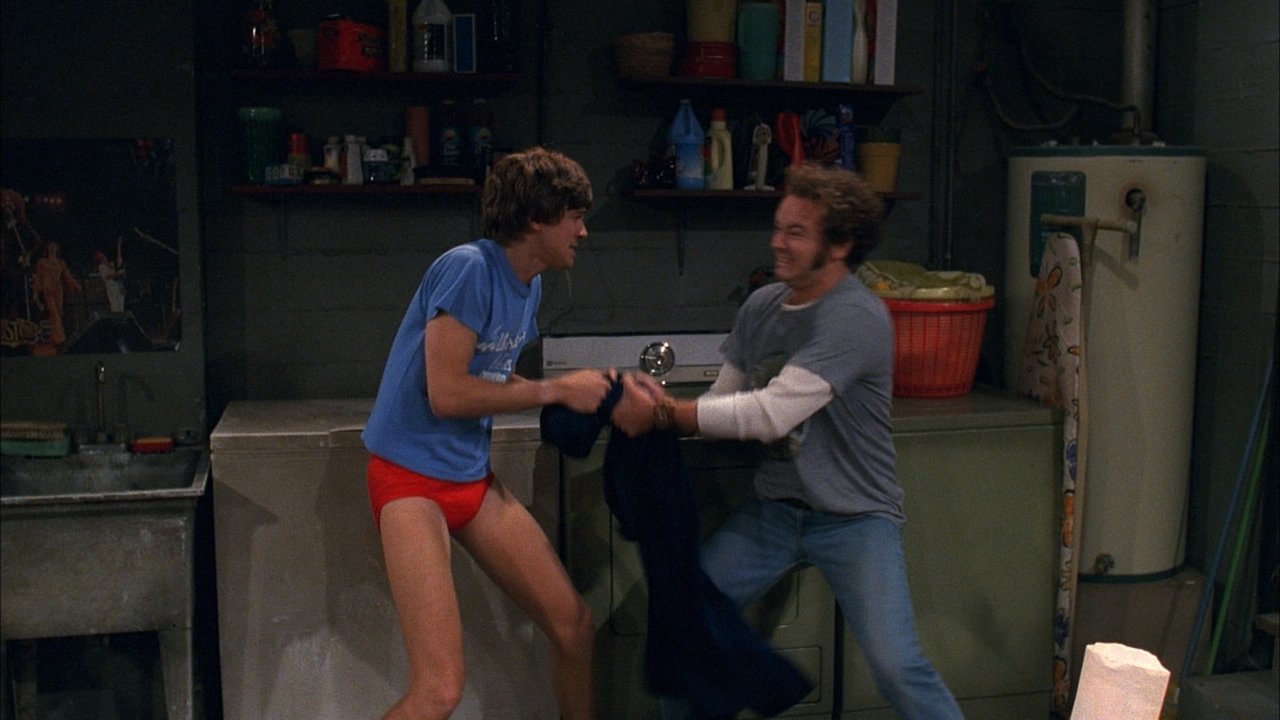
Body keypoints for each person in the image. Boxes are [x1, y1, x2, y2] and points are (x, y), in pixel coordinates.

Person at [612, 163, 964, 719]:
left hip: (855, 517)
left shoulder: (856, 317)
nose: (778, 242)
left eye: (796, 232)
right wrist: (648, 404)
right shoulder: (762, 308)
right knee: (686, 631)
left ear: (840, 245)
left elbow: (770, 414)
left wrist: (662, 415)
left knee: (898, 667)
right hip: (774, 512)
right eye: (779, 227)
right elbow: (725, 402)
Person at [362, 147, 624, 720]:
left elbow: (490, 378)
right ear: (535, 218)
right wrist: (554, 391)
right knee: (439, 689)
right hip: (410, 481)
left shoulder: (529, 285)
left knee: (573, 626)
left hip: (469, 478)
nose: (582, 232)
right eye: (574, 217)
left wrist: (592, 394)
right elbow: (448, 393)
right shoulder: (470, 268)